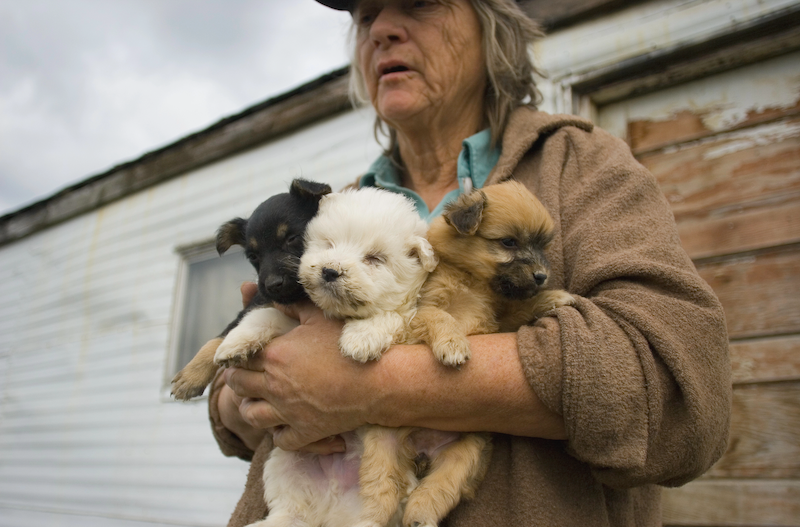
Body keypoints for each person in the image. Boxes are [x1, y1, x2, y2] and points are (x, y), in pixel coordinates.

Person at [208, 0, 732, 525]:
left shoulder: (580, 164)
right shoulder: (337, 206)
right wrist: (245, 397)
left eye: (419, 4)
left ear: (493, 27)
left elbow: (679, 391)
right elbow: (245, 392)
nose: (383, 31)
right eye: (365, 16)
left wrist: (368, 386)